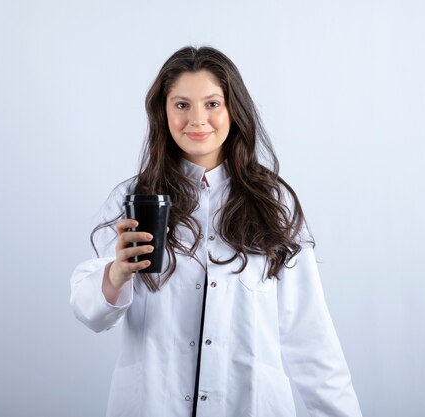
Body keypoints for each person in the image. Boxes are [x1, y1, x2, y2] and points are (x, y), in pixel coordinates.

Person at [70, 45, 362, 417]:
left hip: (250, 403)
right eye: (181, 105)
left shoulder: (273, 202)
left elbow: (310, 335)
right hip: (152, 404)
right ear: (163, 112)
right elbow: (89, 311)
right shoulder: (134, 199)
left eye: (211, 104)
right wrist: (116, 273)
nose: (197, 119)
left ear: (233, 110)